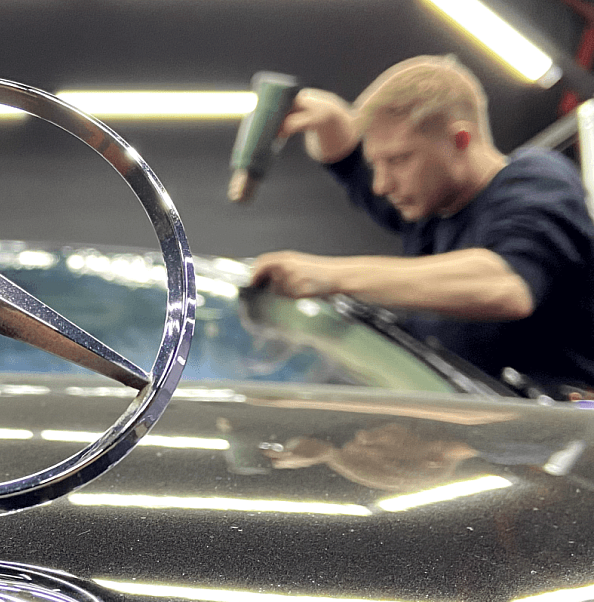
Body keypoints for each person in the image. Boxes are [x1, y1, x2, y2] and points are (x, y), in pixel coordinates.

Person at [250, 55, 594, 395]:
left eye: (398, 160)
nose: (381, 184)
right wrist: (331, 119)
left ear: (460, 140)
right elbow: (350, 161)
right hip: (469, 420)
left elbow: (508, 284)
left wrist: (330, 276)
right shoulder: (431, 210)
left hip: (561, 423)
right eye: (376, 163)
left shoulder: (535, 181)